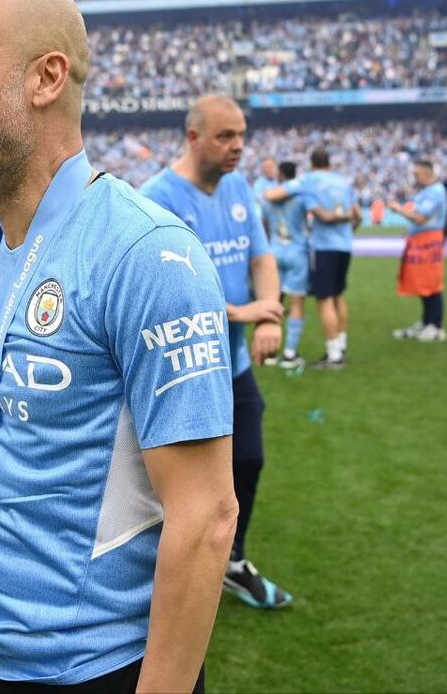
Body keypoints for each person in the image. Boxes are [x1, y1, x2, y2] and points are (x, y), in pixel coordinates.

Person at [0, 0, 238, 693]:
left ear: (46, 78)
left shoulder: (147, 254)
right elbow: (49, 372)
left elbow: (206, 518)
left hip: (91, 664)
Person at [141, 95, 293, 612]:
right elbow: (171, 293)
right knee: (170, 485)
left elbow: (262, 258)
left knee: (248, 458)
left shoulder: (239, 188)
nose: (238, 146)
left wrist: (268, 313)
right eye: (226, 136)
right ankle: (156, 578)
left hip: (233, 363)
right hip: (180, 366)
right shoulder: (157, 198)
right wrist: (250, 313)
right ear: (193, 137)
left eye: (242, 135)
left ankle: (230, 561)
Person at [265, 147, 360, 369]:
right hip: (345, 246)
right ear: (329, 162)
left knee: (323, 299)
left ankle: (333, 356)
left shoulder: (307, 181)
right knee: (338, 295)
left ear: (312, 163)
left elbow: (272, 196)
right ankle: (340, 345)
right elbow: (358, 216)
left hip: (323, 247)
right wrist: (347, 225)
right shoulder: (342, 182)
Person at [389, 160, 447, 342]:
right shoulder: (428, 191)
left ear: (427, 173)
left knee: (431, 281)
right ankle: (427, 322)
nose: (414, 178)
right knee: (423, 281)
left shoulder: (435, 191)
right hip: (422, 240)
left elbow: (421, 217)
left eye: (417, 174)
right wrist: (411, 231)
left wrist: (399, 209)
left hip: (429, 243)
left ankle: (435, 326)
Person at [263, 161, 310, 368]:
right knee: (296, 303)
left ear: (279, 174)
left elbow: (264, 224)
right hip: (297, 252)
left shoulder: (268, 197)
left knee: (274, 301)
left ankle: (270, 352)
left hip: (275, 251)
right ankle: (290, 354)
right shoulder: (300, 197)